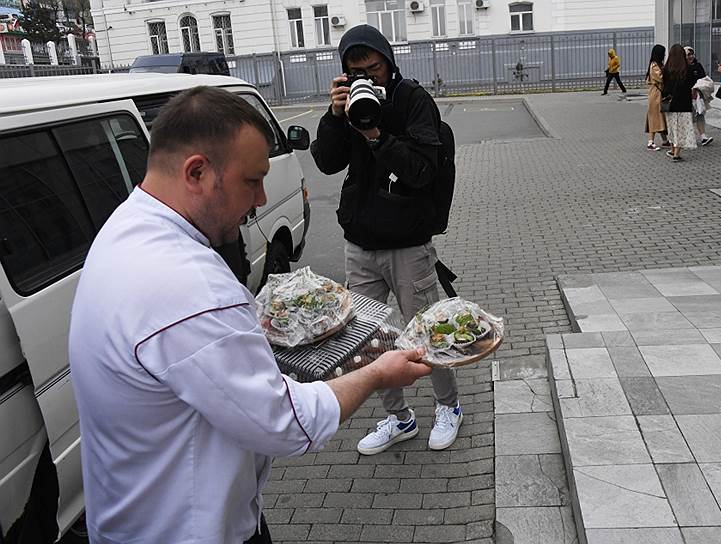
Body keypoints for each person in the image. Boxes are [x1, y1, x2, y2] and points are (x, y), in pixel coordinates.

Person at [68, 86, 433, 544]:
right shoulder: (187, 283)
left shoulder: (125, 228)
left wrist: (244, 339)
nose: (261, 198)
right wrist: (377, 373)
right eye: (251, 180)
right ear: (197, 172)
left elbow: (193, 362)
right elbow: (285, 424)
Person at [310, 24, 462, 456]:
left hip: (408, 246)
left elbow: (422, 171)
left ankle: (448, 406)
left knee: (426, 335)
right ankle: (399, 418)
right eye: (356, 71)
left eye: (373, 68)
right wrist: (336, 115)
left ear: (389, 62)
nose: (367, 77)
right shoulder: (348, 104)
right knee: (366, 341)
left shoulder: (413, 101)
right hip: (360, 245)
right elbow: (325, 161)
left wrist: (377, 135)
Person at [662, 44, 697, 162]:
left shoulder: (666, 69)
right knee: (682, 128)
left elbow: (664, 88)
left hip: (671, 104)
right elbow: (692, 83)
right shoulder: (688, 69)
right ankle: (676, 154)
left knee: (672, 127)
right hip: (684, 103)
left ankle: (673, 150)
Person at [685, 45, 714, 146]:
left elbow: (704, 79)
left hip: (697, 95)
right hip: (685, 96)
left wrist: (698, 89)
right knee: (688, 117)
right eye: (688, 54)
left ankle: (703, 137)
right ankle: (687, 138)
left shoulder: (698, 66)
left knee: (700, 115)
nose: (690, 56)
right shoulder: (682, 67)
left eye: (692, 54)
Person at [645, 44, 671, 151]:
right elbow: (661, 77)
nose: (664, 55)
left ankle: (665, 140)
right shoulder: (654, 66)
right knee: (655, 117)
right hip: (655, 95)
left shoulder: (658, 64)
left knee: (660, 117)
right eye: (663, 53)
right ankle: (650, 142)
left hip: (657, 95)